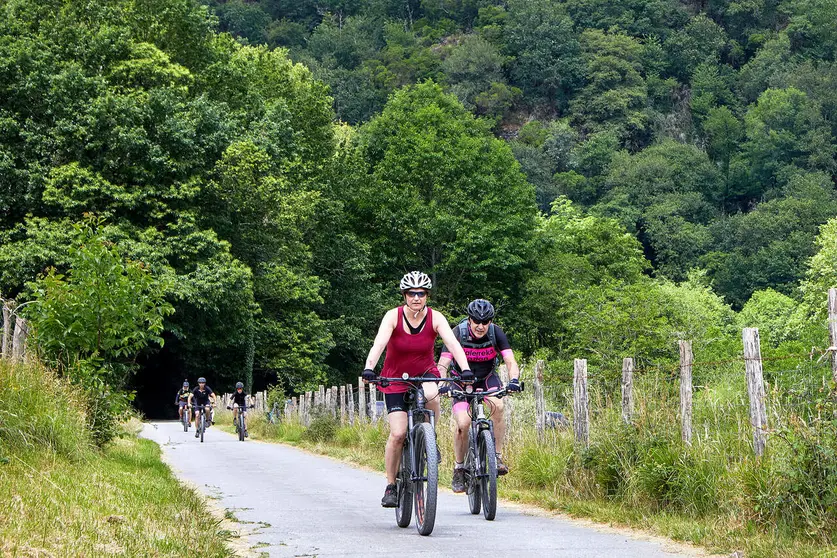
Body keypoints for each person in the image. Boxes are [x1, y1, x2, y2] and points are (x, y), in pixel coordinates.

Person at [362, 271, 473, 508]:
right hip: (395, 378)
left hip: (425, 373)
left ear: (427, 296)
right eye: (411, 293)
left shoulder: (435, 318)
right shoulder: (393, 316)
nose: (416, 298)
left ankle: (430, 438)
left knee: (432, 393)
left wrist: (465, 369)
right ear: (404, 295)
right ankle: (391, 485)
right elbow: (379, 343)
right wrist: (369, 368)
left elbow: (452, 344)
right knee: (398, 434)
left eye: (421, 293)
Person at [437, 299, 521, 492]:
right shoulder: (458, 332)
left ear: (490, 321)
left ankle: (497, 456)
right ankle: (459, 468)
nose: (481, 326)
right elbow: (443, 364)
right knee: (463, 424)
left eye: (486, 321)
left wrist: (514, 380)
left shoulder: (495, 333)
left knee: (498, 407)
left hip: (487, 379)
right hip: (460, 382)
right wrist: (442, 384)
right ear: (469, 319)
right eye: (477, 321)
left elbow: (510, 360)